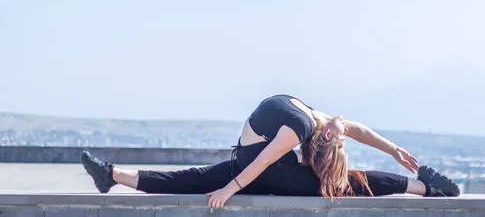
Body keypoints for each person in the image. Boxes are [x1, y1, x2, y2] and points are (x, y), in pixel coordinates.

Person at [81, 94, 459, 207]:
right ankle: (111, 175)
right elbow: (355, 128)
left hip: (258, 166)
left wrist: (230, 190)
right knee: (195, 179)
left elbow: (264, 161)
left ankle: (425, 188)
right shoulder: (311, 123)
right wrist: (394, 150)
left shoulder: (305, 122)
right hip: (253, 164)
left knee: (348, 185)